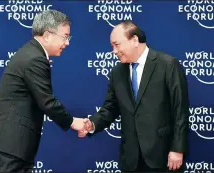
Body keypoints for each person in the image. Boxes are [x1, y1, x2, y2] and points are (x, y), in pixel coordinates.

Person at [0, 10, 85, 172]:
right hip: (9, 146)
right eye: (65, 37)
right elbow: (47, 102)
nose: (67, 43)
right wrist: (72, 122)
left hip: (13, 146)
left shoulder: (31, 52)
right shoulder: (35, 58)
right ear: (48, 35)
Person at [80, 21, 189, 172]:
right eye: (112, 46)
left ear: (135, 40)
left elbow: (180, 110)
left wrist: (177, 149)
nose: (114, 51)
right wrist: (91, 124)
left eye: (117, 45)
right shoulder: (117, 72)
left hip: (163, 156)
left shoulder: (167, 64)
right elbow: (110, 108)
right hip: (131, 159)